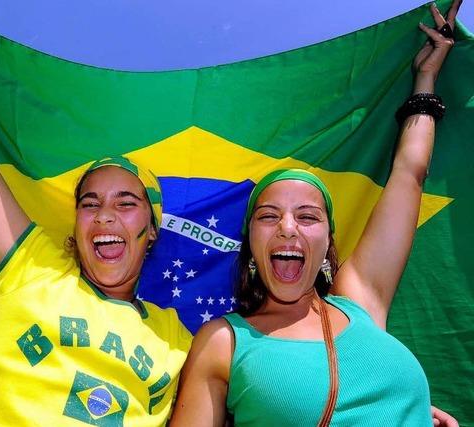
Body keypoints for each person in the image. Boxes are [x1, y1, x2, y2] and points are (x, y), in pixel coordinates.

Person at [0, 3, 192, 426]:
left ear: (151, 231)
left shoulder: (179, 340)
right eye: (89, 203)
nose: (105, 215)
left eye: (127, 203)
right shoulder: (32, 268)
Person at [169, 1, 462, 426]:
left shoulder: (361, 302)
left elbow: (409, 174)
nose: (288, 227)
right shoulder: (225, 342)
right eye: (269, 216)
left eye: (307, 216)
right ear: (250, 243)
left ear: (328, 240)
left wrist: (425, 77)